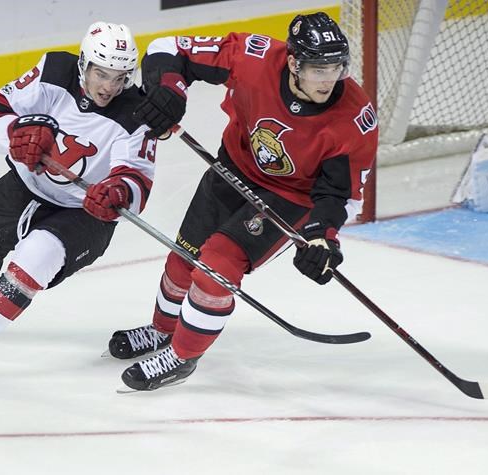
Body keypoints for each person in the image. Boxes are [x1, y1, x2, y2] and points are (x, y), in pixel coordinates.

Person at [107, 12, 379, 391]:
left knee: (216, 267)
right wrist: (168, 89)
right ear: (294, 63)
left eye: (336, 68)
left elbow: (339, 193)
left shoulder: (355, 117)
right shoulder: (254, 57)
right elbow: (169, 50)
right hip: (233, 169)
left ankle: (182, 357)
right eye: (319, 69)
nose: (329, 79)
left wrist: (322, 237)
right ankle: (161, 331)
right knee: (182, 260)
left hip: (290, 197)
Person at [0, 21, 157, 385]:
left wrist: (118, 192)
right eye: (102, 74)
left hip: (83, 214)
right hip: (22, 187)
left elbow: (138, 179)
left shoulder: (137, 112)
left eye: (120, 78)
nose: (109, 87)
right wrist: (16, 133)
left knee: (36, 256)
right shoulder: (54, 70)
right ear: (83, 64)